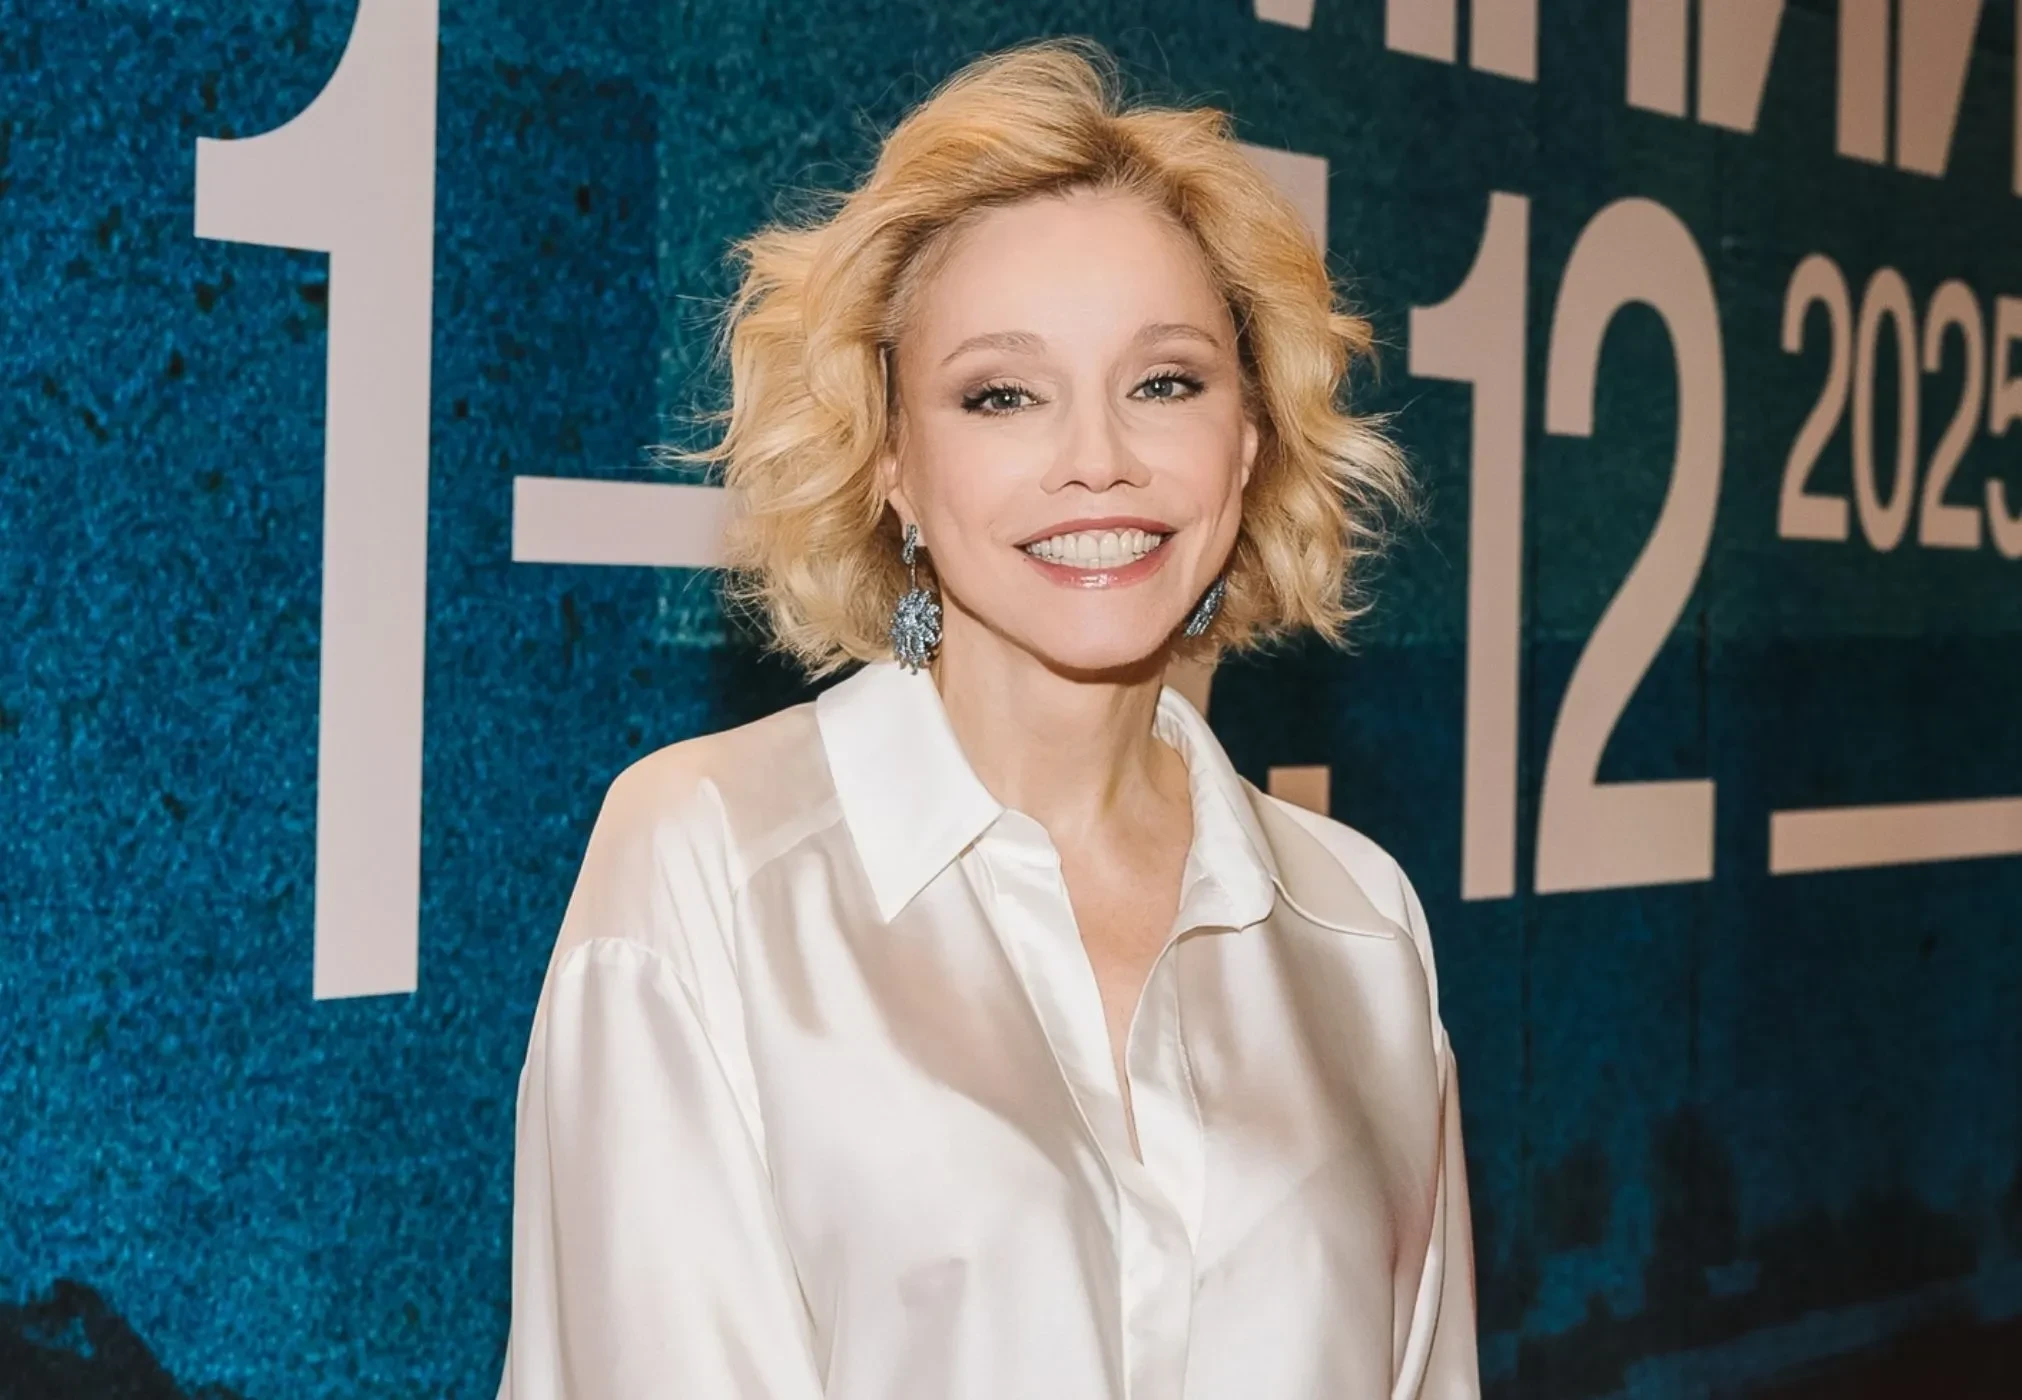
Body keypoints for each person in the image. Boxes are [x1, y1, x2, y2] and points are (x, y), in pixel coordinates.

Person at [496, 35, 1479, 1400]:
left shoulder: (1359, 925)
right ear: (891, 457)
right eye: (1002, 395)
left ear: (1248, 439)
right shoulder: (708, 861)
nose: (1098, 461)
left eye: (1165, 382)